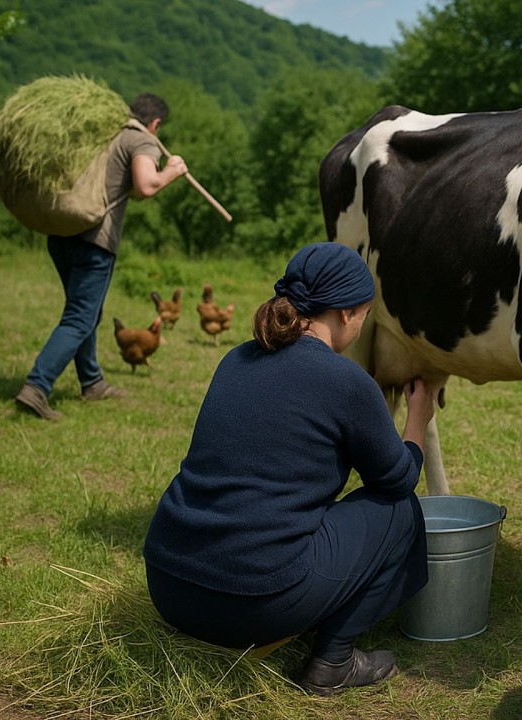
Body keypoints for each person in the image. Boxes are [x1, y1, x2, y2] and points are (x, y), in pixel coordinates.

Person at [142, 242, 436, 696]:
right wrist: (418, 419)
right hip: (253, 603)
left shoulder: (235, 358)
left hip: (168, 583)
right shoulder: (346, 381)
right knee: (399, 510)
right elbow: (396, 478)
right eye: (363, 314)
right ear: (343, 315)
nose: (361, 326)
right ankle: (333, 662)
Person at [15, 93, 188, 421]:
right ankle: (36, 387)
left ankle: (91, 382)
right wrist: (172, 171)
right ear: (156, 123)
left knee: (86, 313)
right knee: (80, 316)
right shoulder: (140, 139)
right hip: (95, 240)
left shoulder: (102, 136)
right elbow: (146, 185)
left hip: (63, 232)